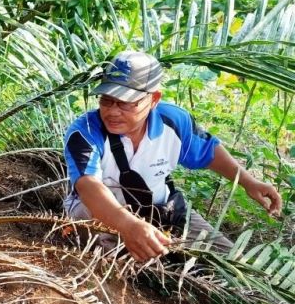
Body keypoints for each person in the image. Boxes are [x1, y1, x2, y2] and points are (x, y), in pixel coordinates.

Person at [63, 51, 282, 262]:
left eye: (125, 102)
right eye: (106, 100)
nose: (112, 111)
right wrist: (128, 226)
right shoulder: (86, 132)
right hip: (98, 214)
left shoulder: (174, 122)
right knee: (122, 270)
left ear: (154, 99)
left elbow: (209, 152)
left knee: (230, 264)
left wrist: (248, 181)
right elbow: (89, 187)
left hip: (162, 208)